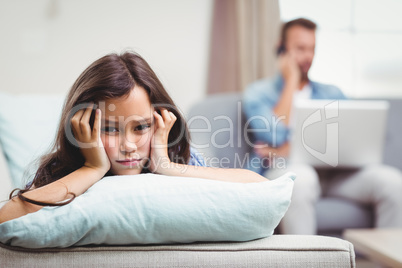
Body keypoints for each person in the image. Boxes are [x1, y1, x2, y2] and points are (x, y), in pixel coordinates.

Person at [0, 52, 266, 224]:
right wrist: (93, 168)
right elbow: (6, 218)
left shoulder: (181, 161)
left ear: (160, 123)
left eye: (140, 128)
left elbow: (258, 185)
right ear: (83, 128)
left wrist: (168, 167)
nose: (128, 146)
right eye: (110, 129)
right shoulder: (62, 172)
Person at [243, 18, 402, 234]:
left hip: (335, 174)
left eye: (312, 49)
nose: (308, 56)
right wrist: (291, 81)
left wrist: (290, 148)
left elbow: (354, 138)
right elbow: (275, 134)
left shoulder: (332, 93)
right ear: (281, 48)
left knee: (392, 182)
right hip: (286, 171)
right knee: (301, 179)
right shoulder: (258, 93)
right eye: (300, 48)